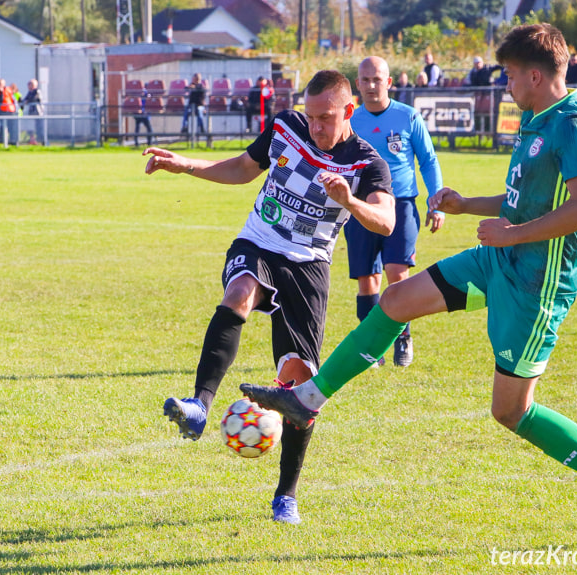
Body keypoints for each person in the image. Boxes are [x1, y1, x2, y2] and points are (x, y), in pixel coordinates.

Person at [242, 24, 577, 546]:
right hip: (498, 260)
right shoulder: (534, 118)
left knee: (510, 411)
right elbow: (522, 201)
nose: (505, 84)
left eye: (508, 75)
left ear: (534, 74)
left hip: (535, 284)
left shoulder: (572, 125)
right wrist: (468, 206)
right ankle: (307, 397)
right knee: (394, 300)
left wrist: (512, 233)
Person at [144, 70, 394, 524]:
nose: (316, 126)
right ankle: (200, 406)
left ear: (349, 112)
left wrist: (350, 202)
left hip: (309, 266)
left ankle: (286, 495)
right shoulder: (286, 126)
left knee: (298, 385)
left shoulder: (366, 162)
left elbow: (386, 221)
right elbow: (243, 168)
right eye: (312, 116)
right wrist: (186, 165)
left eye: (326, 118)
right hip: (258, 242)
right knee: (238, 292)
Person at [346, 56, 444, 367]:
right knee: (367, 278)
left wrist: (436, 199)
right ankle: (369, 348)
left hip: (401, 205)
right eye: (365, 79)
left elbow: (428, 160)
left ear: (389, 82)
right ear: (357, 85)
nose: (371, 85)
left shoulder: (408, 116)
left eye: (377, 79)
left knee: (397, 276)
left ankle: (403, 338)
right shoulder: (351, 121)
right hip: (361, 208)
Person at [0, 78, 17, 144]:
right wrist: (1, 92)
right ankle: (1, 140)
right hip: (2, 111)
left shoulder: (8, 89)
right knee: (2, 126)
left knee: (11, 126)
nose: (0, 85)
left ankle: (12, 140)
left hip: (11, 110)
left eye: (1, 84)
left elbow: (13, 98)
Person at [20, 78, 44, 145]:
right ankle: (32, 140)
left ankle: (41, 141)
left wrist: (27, 101)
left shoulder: (37, 91)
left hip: (38, 113)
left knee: (39, 128)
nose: (29, 86)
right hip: (31, 113)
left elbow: (33, 99)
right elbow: (25, 100)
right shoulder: (29, 92)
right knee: (30, 127)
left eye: (30, 84)